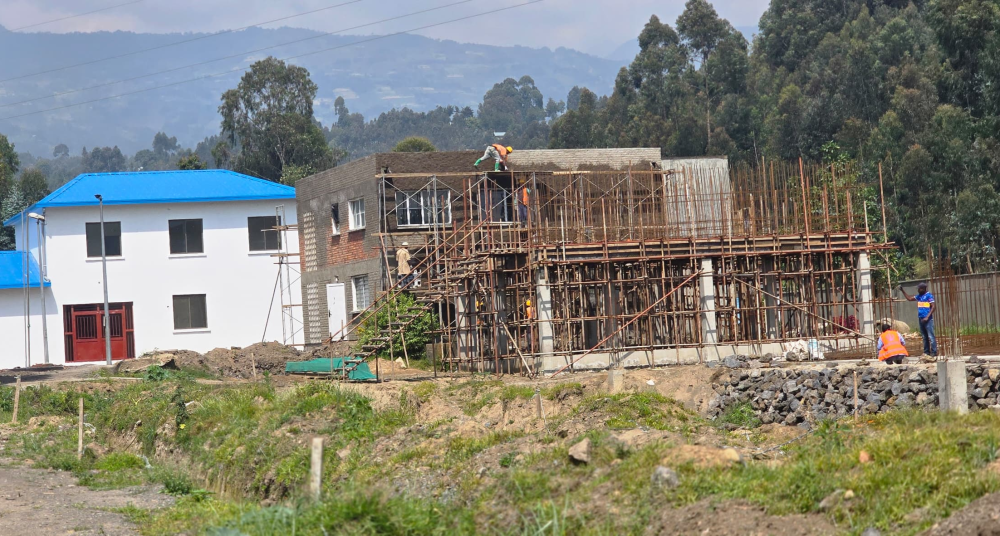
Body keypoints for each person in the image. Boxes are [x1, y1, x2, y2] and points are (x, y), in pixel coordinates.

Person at [899, 282, 937, 358]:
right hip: (921, 319)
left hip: (928, 320)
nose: (918, 290)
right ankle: (926, 352)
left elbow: (933, 307)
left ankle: (934, 352)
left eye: (919, 289)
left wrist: (927, 317)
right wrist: (902, 290)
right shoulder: (919, 296)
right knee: (924, 337)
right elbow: (909, 298)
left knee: (931, 337)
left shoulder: (929, 296)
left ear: (923, 288)